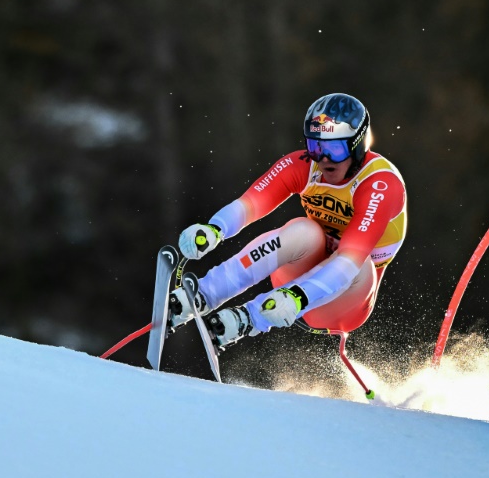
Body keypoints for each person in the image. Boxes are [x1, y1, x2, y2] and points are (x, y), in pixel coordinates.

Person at [167, 93, 407, 350]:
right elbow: (251, 203)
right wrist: (214, 229)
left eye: (335, 149)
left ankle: (248, 319)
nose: (324, 159)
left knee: (360, 263)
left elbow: (348, 262)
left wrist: (297, 298)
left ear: (358, 146)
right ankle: (202, 294)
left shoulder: (380, 185)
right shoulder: (305, 165)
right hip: (297, 274)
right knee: (303, 230)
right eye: (316, 147)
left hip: (344, 299)